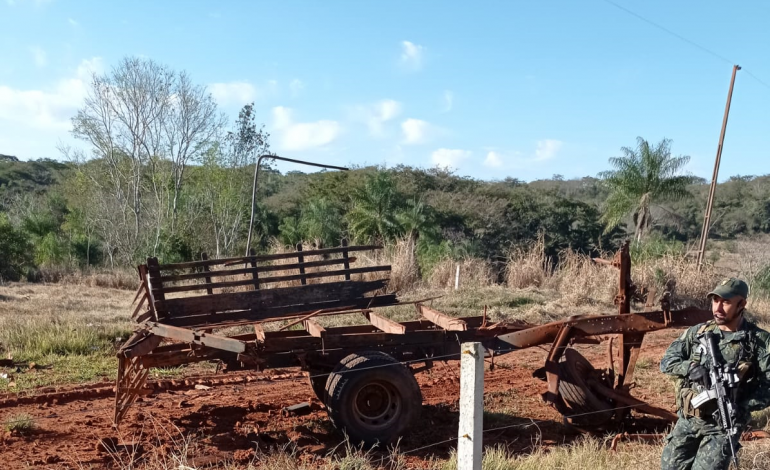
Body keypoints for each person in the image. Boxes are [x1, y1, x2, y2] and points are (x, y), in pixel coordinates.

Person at [659, 277, 770, 469]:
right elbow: (667, 362)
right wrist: (691, 368)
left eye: (726, 302)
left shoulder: (758, 341)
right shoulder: (697, 333)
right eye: (715, 300)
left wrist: (741, 404)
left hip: (722, 426)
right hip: (688, 420)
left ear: (742, 304)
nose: (717, 308)